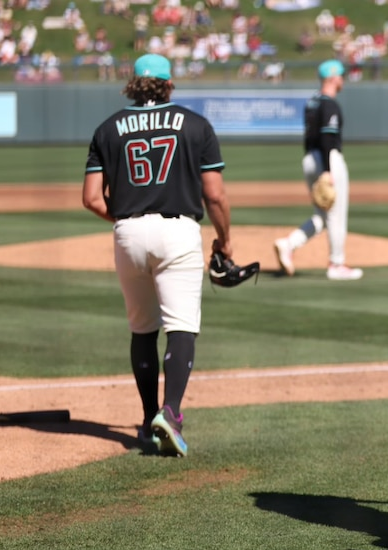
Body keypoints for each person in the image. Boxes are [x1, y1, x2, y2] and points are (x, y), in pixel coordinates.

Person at [81, 53, 233, 458]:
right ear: (169, 84)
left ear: (133, 83)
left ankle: (150, 421)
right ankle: (171, 412)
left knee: (142, 329)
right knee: (181, 325)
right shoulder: (195, 124)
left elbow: (91, 198)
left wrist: (129, 219)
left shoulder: (107, 128)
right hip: (178, 229)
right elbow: (214, 194)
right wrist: (225, 240)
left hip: (127, 231)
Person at [273, 59, 363, 281]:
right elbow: (327, 137)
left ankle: (289, 244)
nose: (342, 79)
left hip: (309, 158)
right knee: (336, 216)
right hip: (327, 158)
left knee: (322, 216)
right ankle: (337, 264)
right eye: (340, 75)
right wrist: (327, 170)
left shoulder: (312, 102)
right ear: (333, 78)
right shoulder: (330, 104)